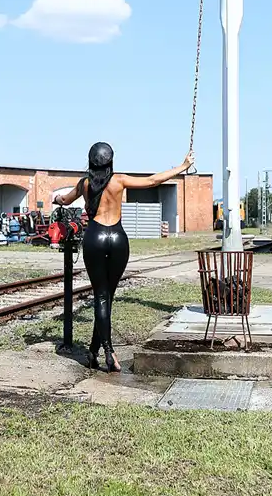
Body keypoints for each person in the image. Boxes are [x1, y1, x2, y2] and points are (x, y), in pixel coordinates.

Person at [54, 142, 194, 373]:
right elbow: (153, 180)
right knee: (107, 296)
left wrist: (57, 200)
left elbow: (66, 200)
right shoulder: (119, 180)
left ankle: (103, 352)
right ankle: (98, 352)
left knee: (101, 297)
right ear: (110, 161)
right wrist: (183, 166)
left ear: (91, 161)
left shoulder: (84, 184)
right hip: (118, 239)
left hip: (95, 237)